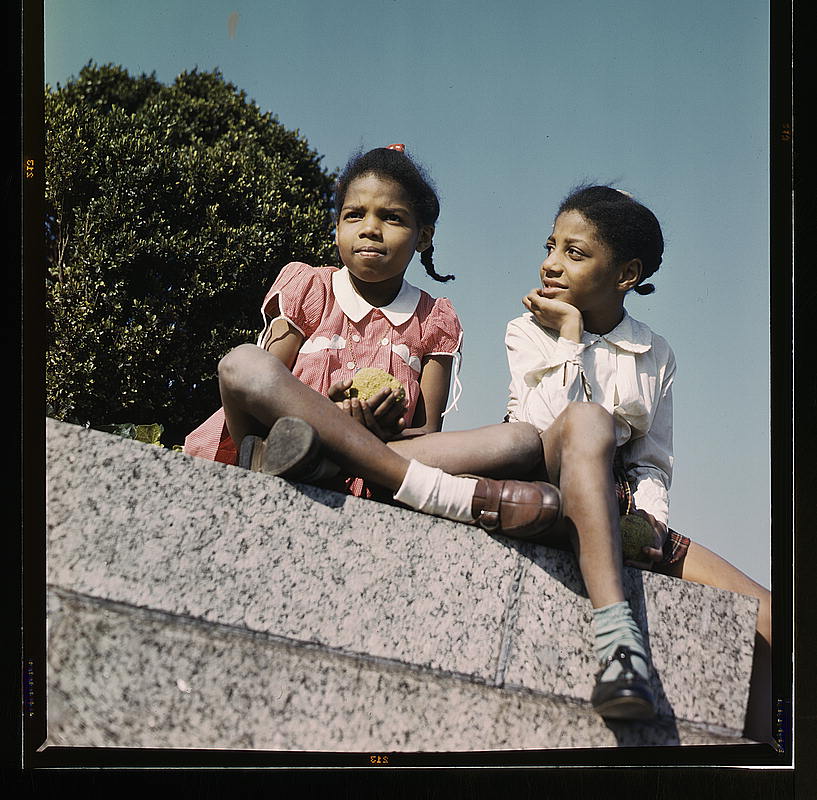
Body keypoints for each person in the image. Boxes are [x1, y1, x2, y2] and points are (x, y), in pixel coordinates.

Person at [184, 145, 561, 542]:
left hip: (384, 451)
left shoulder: (434, 318)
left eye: (392, 218)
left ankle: (337, 466)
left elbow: (429, 429)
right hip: (284, 440)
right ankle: (437, 492)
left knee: (521, 440)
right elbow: (260, 392)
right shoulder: (310, 286)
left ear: (423, 236)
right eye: (354, 215)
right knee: (242, 362)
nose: (369, 228)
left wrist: (384, 427)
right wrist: (325, 413)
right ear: (337, 226)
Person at [504, 184, 771, 741]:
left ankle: (766, 752)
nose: (550, 264)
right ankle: (616, 641)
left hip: (625, 509)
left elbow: (652, 460)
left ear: (626, 274)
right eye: (550, 245)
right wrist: (570, 337)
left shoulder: (657, 353)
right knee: (583, 426)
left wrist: (649, 517)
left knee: (770, 616)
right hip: (548, 488)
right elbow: (538, 430)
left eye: (574, 253)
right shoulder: (528, 329)